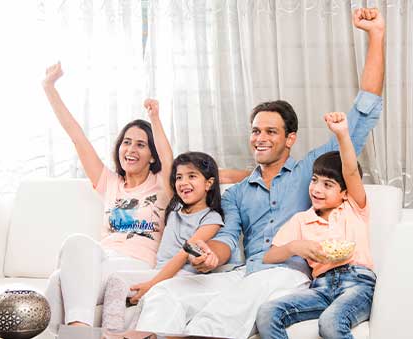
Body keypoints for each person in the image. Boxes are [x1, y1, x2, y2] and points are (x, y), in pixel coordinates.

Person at [134, 7, 385, 338]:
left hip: (289, 275)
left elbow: (361, 115)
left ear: (290, 139)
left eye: (270, 131)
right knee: (165, 293)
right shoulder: (238, 192)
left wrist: (376, 37)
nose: (260, 138)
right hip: (246, 272)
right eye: (256, 131)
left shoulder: (309, 173)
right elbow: (226, 237)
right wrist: (211, 257)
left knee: (228, 309)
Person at [41, 62, 173, 331]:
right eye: (126, 142)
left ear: (152, 155)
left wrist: (156, 119)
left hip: (138, 266)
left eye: (140, 144)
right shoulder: (109, 183)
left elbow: (169, 157)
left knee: (58, 281)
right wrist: (49, 88)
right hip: (103, 258)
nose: (131, 149)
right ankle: (79, 332)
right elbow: (76, 136)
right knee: (76, 245)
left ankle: (78, 333)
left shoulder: (163, 186)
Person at [257, 110, 375, 339]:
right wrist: (294, 247)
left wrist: (341, 134)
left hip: (357, 283)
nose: (317, 189)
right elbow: (268, 256)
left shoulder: (353, 207)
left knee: (330, 322)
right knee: (267, 313)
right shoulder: (302, 219)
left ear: (344, 192)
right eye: (314, 181)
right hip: (320, 287)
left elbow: (350, 170)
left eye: (328, 184)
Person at [101, 152, 225, 332]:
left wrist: (152, 284)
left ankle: (133, 334)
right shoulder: (175, 207)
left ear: (209, 183)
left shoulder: (211, 219)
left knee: (152, 299)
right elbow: (165, 156)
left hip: (184, 275)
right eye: (179, 177)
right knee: (117, 280)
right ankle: (111, 334)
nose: (183, 182)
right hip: (160, 272)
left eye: (192, 176)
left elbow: (184, 255)